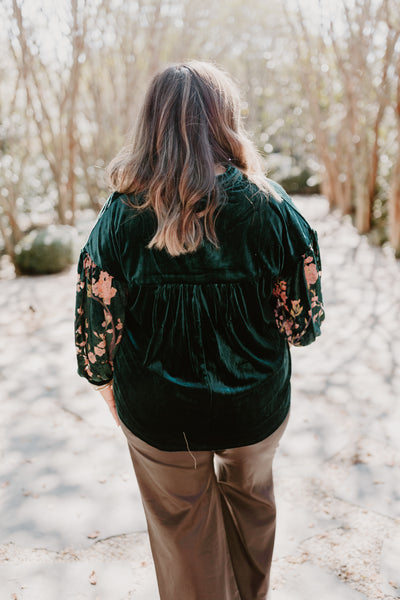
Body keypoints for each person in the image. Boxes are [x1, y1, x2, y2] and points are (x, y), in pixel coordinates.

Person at [75, 60, 325, 600]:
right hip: (255, 407)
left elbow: (95, 334)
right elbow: (302, 326)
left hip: (160, 414)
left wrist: (112, 398)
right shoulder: (273, 206)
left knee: (185, 542)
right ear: (225, 120)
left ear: (150, 126)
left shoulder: (119, 216)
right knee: (252, 514)